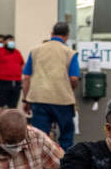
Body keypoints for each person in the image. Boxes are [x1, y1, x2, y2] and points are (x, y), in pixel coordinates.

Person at [22, 21, 80, 151]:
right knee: (66, 135)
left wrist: (25, 99)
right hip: (62, 100)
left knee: (39, 138)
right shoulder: (69, 53)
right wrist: (70, 88)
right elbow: (74, 78)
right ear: (67, 36)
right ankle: (64, 166)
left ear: (51, 34)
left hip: (39, 99)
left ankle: (42, 168)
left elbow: (26, 77)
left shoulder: (35, 51)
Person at [0, 35, 24, 113]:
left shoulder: (17, 52)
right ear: (5, 42)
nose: (11, 42)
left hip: (16, 82)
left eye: (13, 40)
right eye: (9, 40)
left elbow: (22, 64)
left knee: (13, 105)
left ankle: (11, 122)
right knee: (0, 104)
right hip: (2, 82)